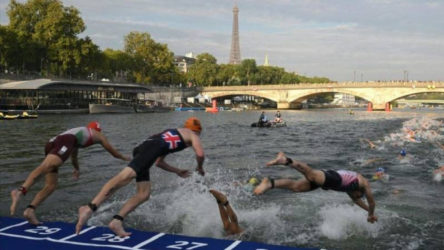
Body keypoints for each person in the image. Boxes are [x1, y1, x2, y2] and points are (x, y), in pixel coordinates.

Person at [75, 117, 205, 237]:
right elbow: (200, 154)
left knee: (144, 193)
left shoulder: (174, 133)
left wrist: (177, 171)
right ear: (197, 131)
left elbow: (159, 162)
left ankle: (117, 221)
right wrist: (200, 167)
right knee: (124, 177)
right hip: (151, 148)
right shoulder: (193, 135)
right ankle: (89, 208)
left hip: (143, 147)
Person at [10, 122, 130, 225]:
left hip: (52, 143)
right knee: (47, 166)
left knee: (51, 185)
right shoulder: (97, 134)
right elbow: (113, 152)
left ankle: (30, 210)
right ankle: (20, 191)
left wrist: (76, 169)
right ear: (96, 129)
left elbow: (74, 156)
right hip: (63, 141)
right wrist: (125, 158)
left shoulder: (78, 136)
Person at [254, 152, 377, 224]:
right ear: (360, 191)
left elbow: (357, 201)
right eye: (359, 196)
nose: (356, 198)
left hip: (329, 182)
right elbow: (372, 203)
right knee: (311, 174)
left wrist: (369, 213)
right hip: (334, 177)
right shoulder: (363, 183)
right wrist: (370, 213)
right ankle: (285, 160)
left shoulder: (352, 191)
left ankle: (270, 183)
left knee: (296, 187)